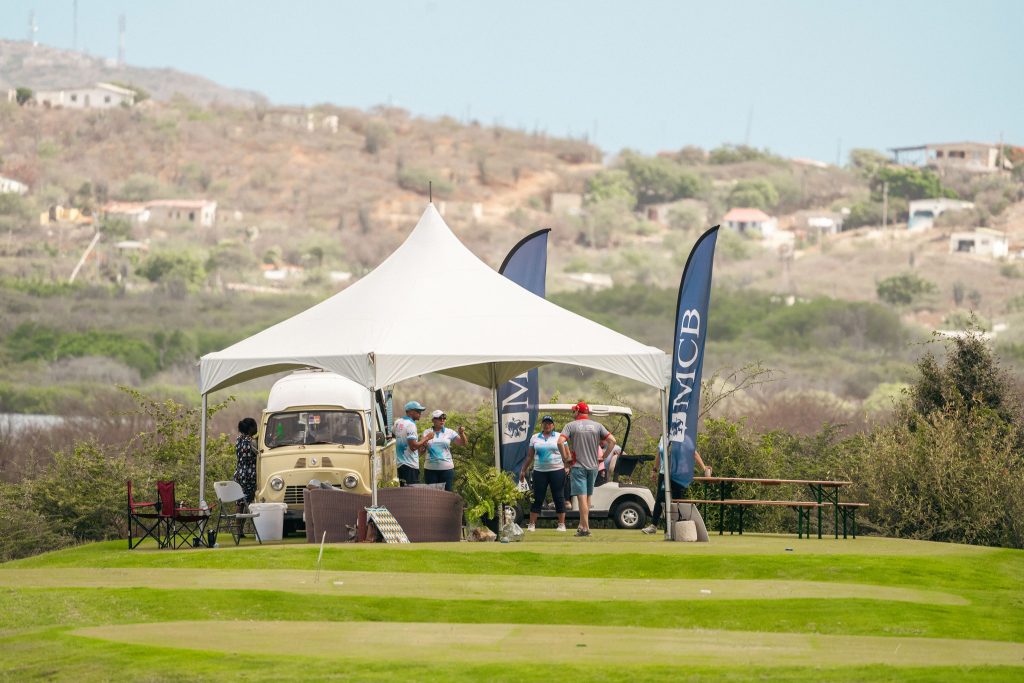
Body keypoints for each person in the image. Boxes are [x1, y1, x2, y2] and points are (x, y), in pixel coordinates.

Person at [558, 401, 615, 537]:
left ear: (578, 412)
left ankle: (585, 528)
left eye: (574, 411)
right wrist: (604, 457)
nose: (573, 413)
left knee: (582, 499)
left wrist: (565, 458)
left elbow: (560, 441)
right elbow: (612, 440)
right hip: (593, 467)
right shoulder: (597, 425)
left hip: (578, 466)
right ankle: (583, 525)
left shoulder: (571, 426)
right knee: (588, 498)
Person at [642, 441, 711, 534]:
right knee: (660, 499)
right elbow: (659, 453)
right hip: (663, 474)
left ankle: (674, 527)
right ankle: (653, 526)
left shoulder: (681, 436)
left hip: (678, 474)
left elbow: (693, 452)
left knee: (677, 500)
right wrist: (654, 470)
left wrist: (704, 468)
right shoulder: (663, 437)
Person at [519, 415, 567, 532]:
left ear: (553, 425)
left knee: (558, 496)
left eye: (549, 423)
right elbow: (530, 456)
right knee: (537, 497)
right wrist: (523, 470)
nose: (547, 425)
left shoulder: (559, 436)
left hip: (557, 470)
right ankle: (532, 524)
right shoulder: (535, 437)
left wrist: (568, 466)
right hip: (540, 471)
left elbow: (566, 453)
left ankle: (561, 524)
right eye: (545, 423)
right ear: (542, 425)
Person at [421, 409, 467, 491]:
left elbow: (462, 443)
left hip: (447, 469)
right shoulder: (427, 432)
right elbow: (421, 450)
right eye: (439, 418)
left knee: (446, 495)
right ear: (433, 420)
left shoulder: (449, 432)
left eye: (444, 418)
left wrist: (461, 433)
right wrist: (425, 440)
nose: (442, 420)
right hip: (430, 469)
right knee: (432, 495)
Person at [234, 417, 259, 535]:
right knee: (249, 501)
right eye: (255, 426)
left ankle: (238, 529)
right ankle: (257, 528)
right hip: (250, 474)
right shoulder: (252, 442)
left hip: (239, 473)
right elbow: (258, 451)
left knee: (240, 502)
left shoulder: (238, 439)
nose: (257, 428)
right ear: (250, 429)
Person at [394, 400, 429, 486]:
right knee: (411, 493)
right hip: (410, 465)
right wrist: (426, 438)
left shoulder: (398, 422)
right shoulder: (411, 425)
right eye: (418, 411)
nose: (420, 413)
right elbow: (413, 446)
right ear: (410, 412)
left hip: (400, 464)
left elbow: (394, 435)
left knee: (403, 491)